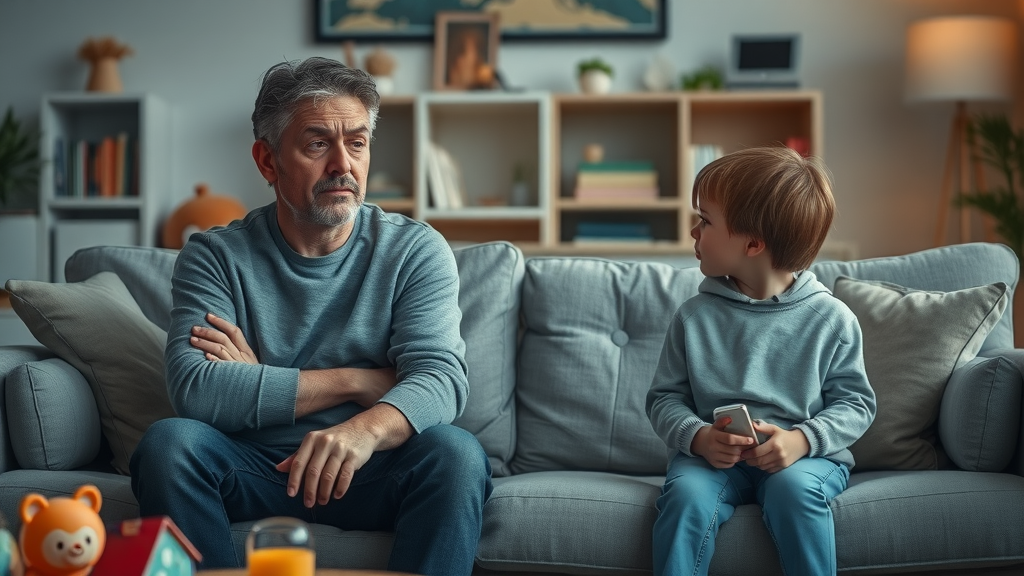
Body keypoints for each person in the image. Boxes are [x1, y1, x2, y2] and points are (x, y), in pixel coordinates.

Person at [130, 57, 492, 576]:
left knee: (456, 455)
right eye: (318, 144)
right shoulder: (214, 255)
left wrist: (362, 430)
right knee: (169, 445)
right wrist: (356, 381)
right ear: (268, 160)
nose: (343, 164)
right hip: (252, 467)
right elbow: (197, 390)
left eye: (358, 143)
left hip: (372, 468)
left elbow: (442, 382)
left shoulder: (415, 250)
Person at [646, 146, 876, 576]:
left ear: (753, 243)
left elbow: (856, 404)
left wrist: (801, 441)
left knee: (794, 492)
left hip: (804, 460)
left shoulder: (832, 319)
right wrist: (698, 438)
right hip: (711, 462)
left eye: (706, 220)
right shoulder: (694, 316)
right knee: (685, 499)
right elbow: (663, 399)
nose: (694, 231)